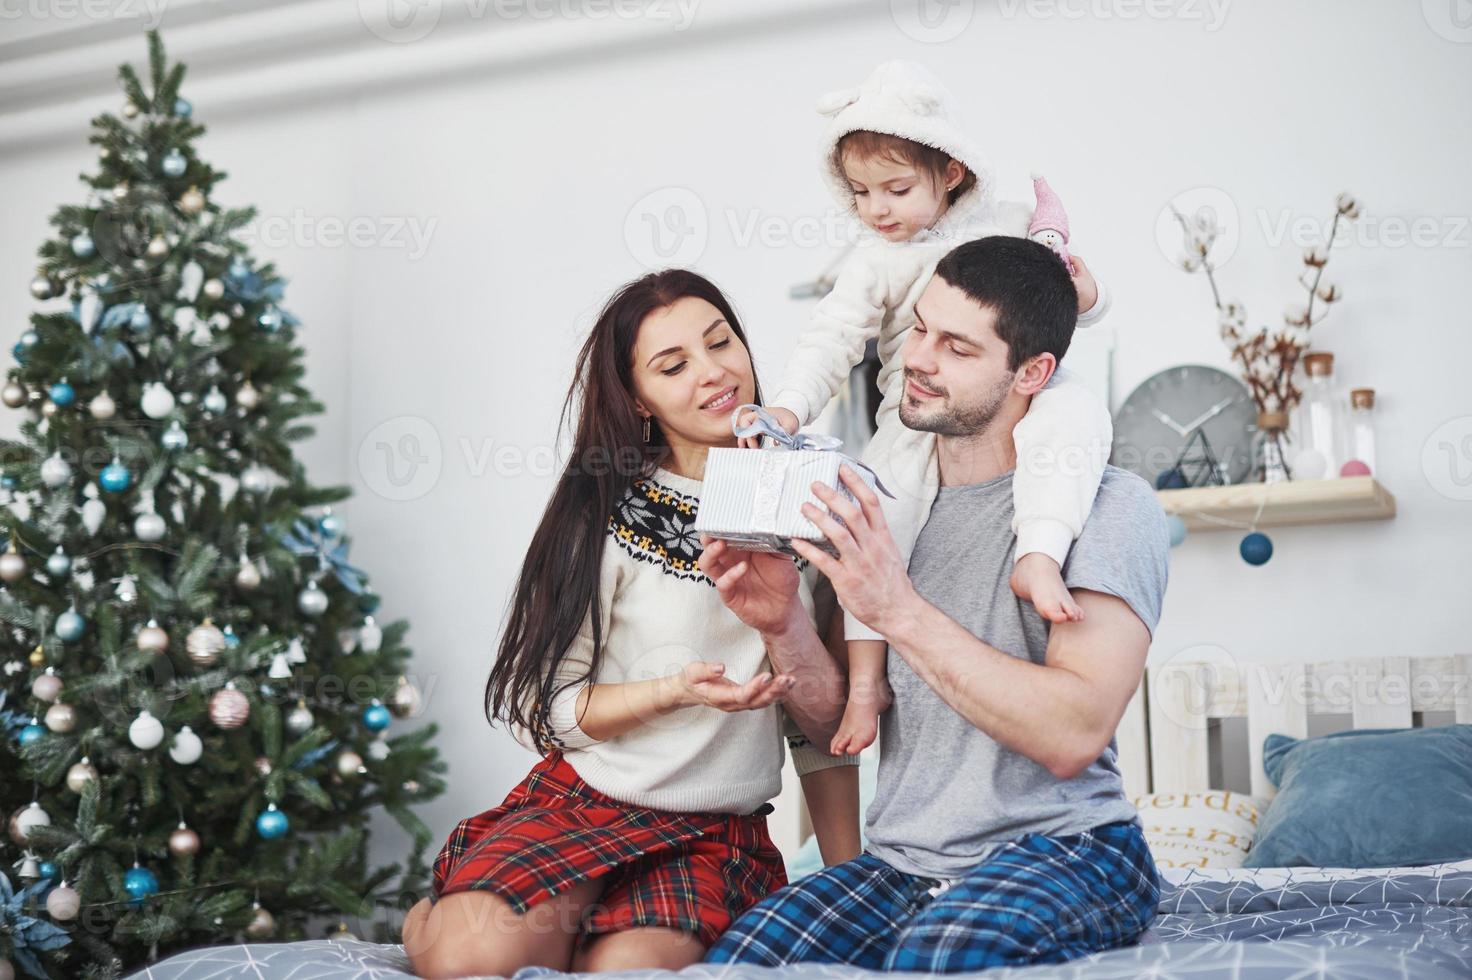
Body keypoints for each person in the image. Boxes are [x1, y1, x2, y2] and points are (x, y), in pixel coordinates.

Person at [704, 235, 1169, 973]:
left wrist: (899, 610)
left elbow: (1074, 732)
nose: (917, 358)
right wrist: (783, 620)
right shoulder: (885, 508)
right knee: (738, 965)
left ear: (1032, 372)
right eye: (920, 327)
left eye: (956, 346)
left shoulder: (1109, 509)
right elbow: (834, 725)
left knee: (942, 954)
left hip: (1070, 849)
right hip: (899, 866)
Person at [401, 270, 855, 978]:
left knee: (626, 973)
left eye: (720, 342)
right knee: (469, 959)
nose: (714, 374)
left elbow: (828, 732)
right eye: (673, 366)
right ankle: (438, 915)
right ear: (638, 398)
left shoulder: (813, 502)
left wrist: (847, 883)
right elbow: (540, 709)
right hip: (584, 805)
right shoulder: (603, 512)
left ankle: (582, 933)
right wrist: (675, 690)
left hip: (714, 838)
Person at [736, 60, 1115, 762]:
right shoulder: (874, 261)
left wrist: (1089, 299)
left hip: (1020, 397)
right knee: (873, 521)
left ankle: (1040, 552)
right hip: (912, 422)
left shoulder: (1008, 226)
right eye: (859, 195)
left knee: (1077, 418)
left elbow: (1054, 299)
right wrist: (786, 410)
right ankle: (867, 682)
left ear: (953, 172)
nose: (877, 209)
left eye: (897, 189)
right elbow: (831, 339)